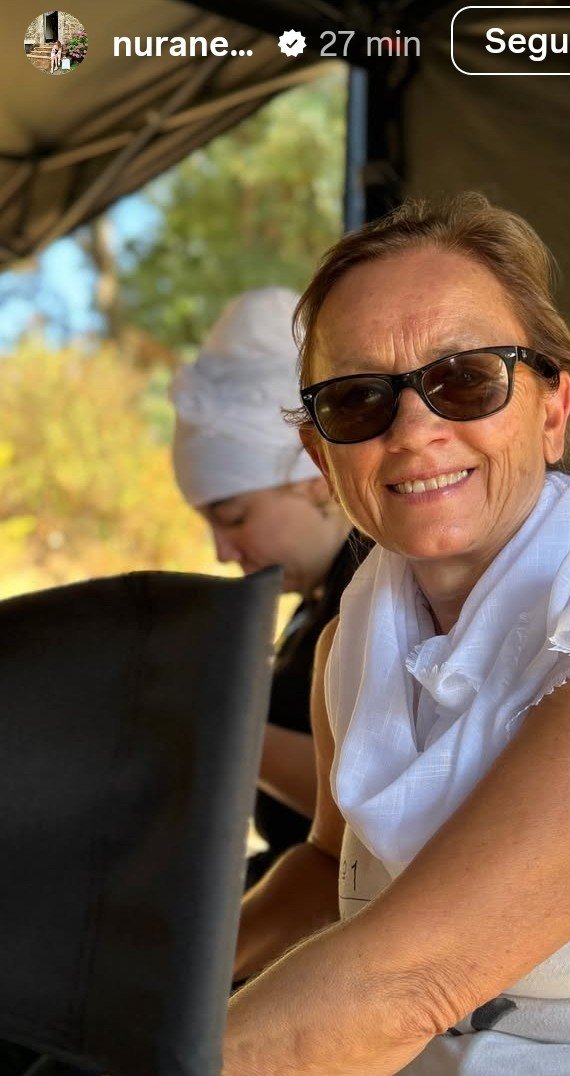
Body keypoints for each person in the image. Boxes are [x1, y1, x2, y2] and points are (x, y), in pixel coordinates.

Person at [12, 194, 570, 1076]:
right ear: (321, 451)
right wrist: (152, 991)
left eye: (465, 378)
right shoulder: (357, 641)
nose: (414, 428)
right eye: (357, 400)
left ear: (552, 407)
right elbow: (324, 868)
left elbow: (412, 977)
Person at [171, 287, 371, 903]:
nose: (222, 551)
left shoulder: (378, 589)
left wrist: (217, 720)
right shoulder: (314, 603)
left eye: (233, 517)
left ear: (314, 478)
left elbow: (371, 807)